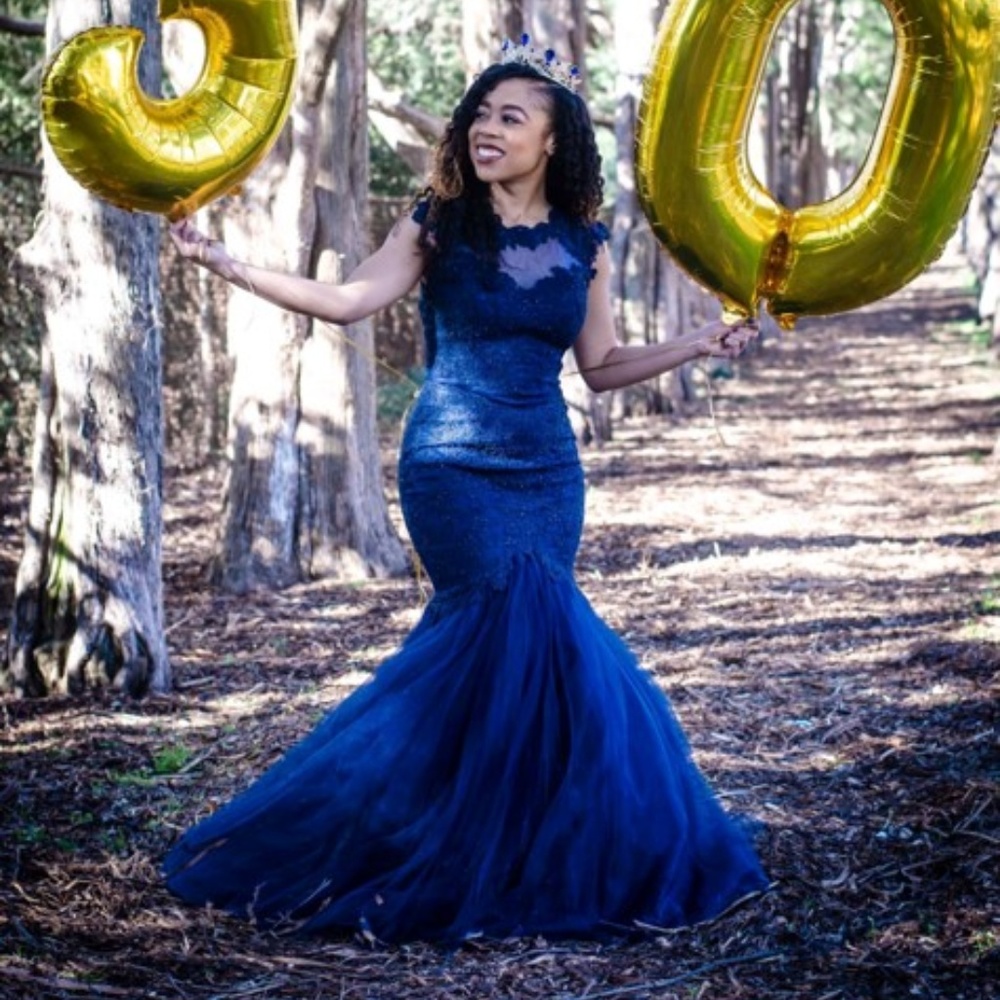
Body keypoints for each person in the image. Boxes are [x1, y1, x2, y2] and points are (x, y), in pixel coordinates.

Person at [163, 38, 767, 944]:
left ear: (553, 141)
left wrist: (697, 344)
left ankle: (518, 849)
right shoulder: (436, 222)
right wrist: (220, 260)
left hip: (547, 469)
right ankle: (434, 850)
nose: (487, 128)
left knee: (533, 647)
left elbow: (601, 366)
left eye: (509, 117)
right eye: (479, 114)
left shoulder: (585, 244)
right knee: (501, 619)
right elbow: (348, 301)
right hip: (451, 462)